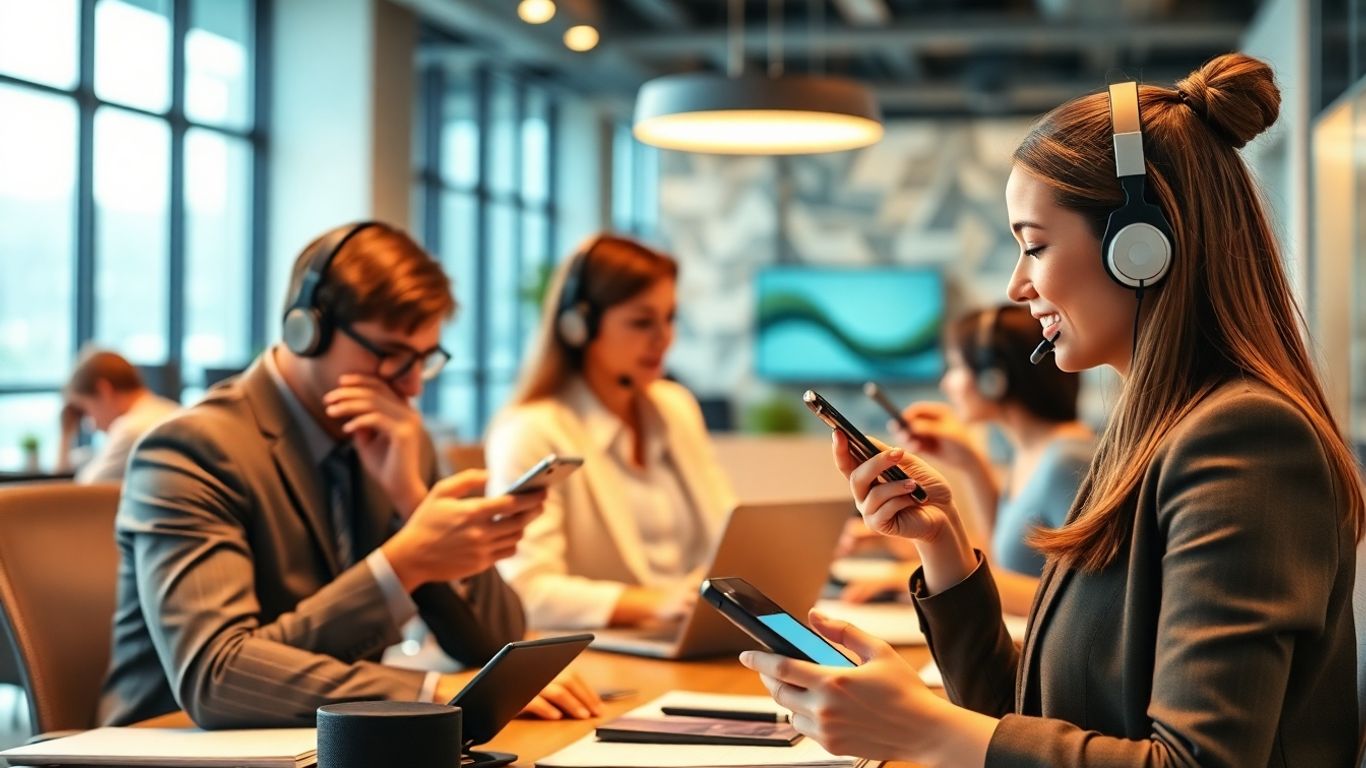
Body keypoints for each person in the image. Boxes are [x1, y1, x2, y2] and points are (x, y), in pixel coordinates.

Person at [740, 54, 1362, 766]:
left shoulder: (1247, 440)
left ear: (1142, 247)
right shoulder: (1147, 436)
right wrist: (942, 547)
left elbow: (1199, 761)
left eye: (1034, 246)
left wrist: (923, 728)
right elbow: (1029, 715)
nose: (1016, 285)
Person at [99, 222, 601, 728]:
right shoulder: (193, 450)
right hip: (175, 743)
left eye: (424, 359)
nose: (410, 386)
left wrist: (412, 502)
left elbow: (493, 643)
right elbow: (219, 676)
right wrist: (404, 573)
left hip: (331, 742)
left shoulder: (396, 438)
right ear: (307, 331)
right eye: (390, 355)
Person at [485, 234, 735, 630]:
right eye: (641, 322)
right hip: (605, 653)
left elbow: (727, 534)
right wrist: (656, 604)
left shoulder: (675, 406)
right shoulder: (532, 431)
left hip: (690, 635)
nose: (663, 339)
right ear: (577, 327)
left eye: (669, 318)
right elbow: (525, 591)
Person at [840, 306, 1092, 616]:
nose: (946, 384)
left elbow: (1080, 604)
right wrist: (970, 464)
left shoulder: (1068, 461)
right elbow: (1001, 558)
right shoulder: (1033, 452)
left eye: (957, 367)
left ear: (993, 378)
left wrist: (919, 573)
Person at [54, 348, 180, 483]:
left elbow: (79, 493)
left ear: (103, 391)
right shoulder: (173, 411)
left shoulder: (130, 429)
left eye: (85, 411)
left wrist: (65, 435)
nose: (91, 426)